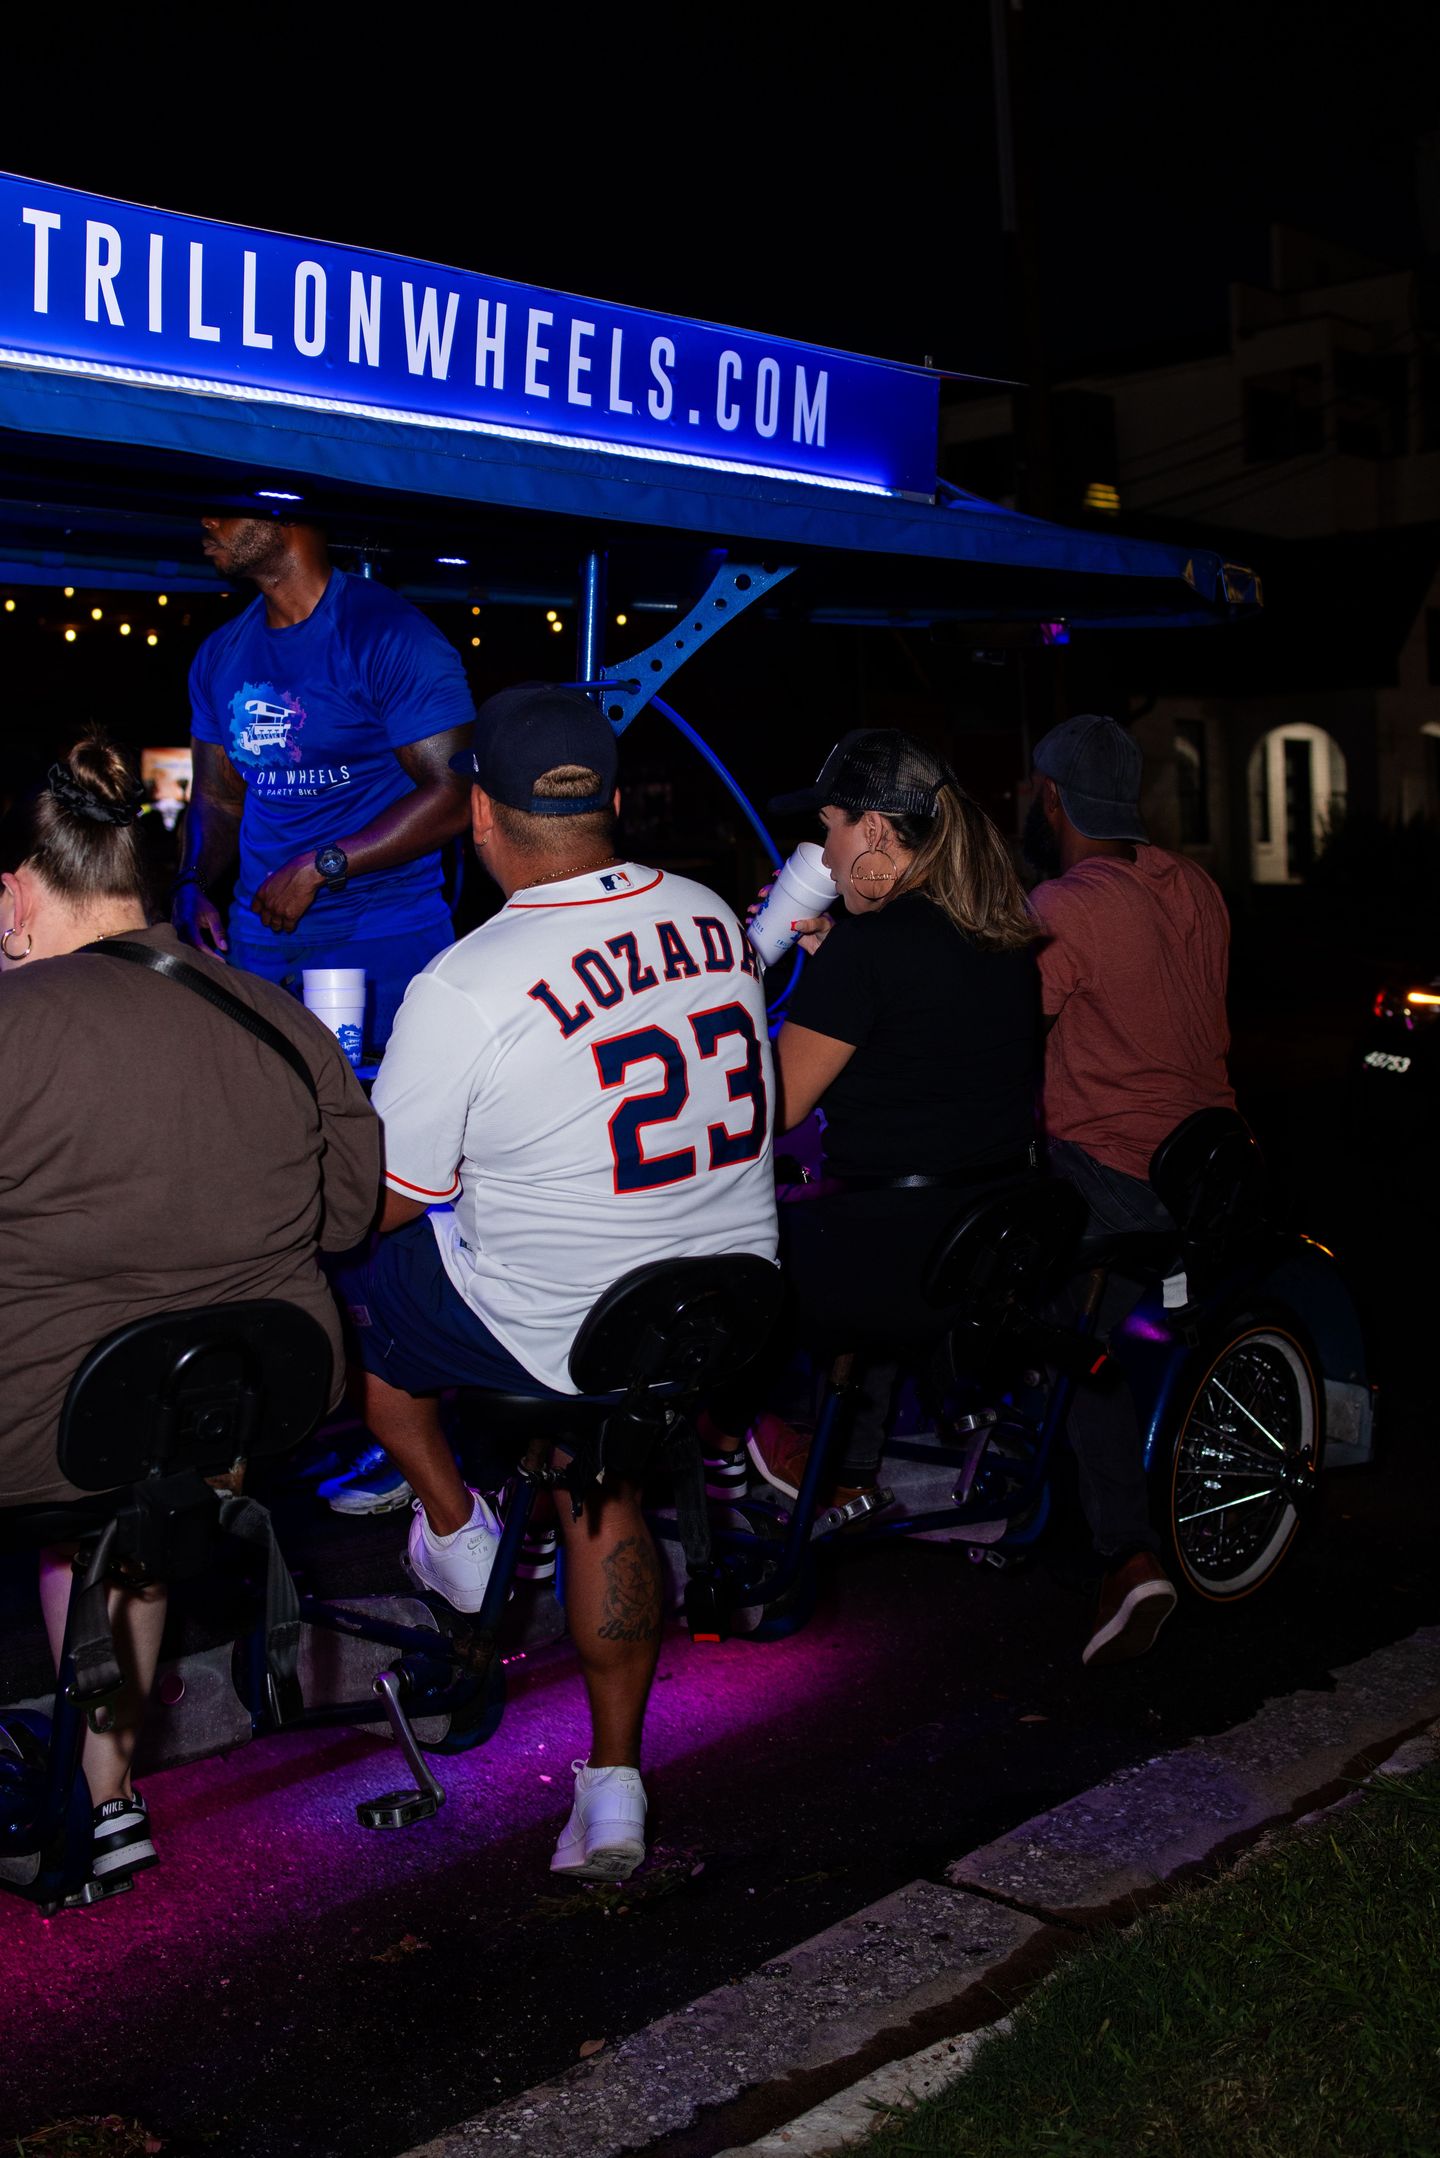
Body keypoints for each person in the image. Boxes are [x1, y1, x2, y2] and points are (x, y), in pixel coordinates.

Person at [349, 683, 778, 1882]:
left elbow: (385, 1199)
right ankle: (616, 1786)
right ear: (615, 802)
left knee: (360, 1265)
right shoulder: (713, 917)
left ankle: (452, 1527)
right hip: (714, 1311)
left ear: (481, 814)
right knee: (603, 1480)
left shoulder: (464, 981)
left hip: (566, 1331)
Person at [0, 738, 382, 1891]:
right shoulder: (280, 1017)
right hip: (236, 1412)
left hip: (43, 1426)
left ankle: (97, 1785)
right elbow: (349, 1216)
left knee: (88, 1442)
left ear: (17, 893)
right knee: (120, 1476)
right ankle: (106, 1793)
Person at [709, 728, 1041, 1506]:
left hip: (887, 1267)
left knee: (702, 1262)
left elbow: (770, 1108)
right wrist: (835, 970)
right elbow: (923, 1036)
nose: (823, 856)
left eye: (831, 827)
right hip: (985, 1254)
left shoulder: (868, 952)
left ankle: (736, 1439)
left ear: (878, 832)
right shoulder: (1000, 939)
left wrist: (734, 984)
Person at [1024, 713, 1236, 1665]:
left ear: (1051, 799)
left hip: (1116, 1174)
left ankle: (1125, 1554)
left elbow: (998, 1028)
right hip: (1209, 1168)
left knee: (1059, 1321)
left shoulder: (1067, 903)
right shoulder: (1194, 885)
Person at [176, 510, 474, 1046]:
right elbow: (218, 799)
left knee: (373, 1099)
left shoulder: (388, 634)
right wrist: (191, 883)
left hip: (382, 937)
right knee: (263, 1098)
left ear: (286, 514)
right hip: (258, 945)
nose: (208, 520)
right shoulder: (220, 653)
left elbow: (456, 794)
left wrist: (322, 865)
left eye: (228, 506)